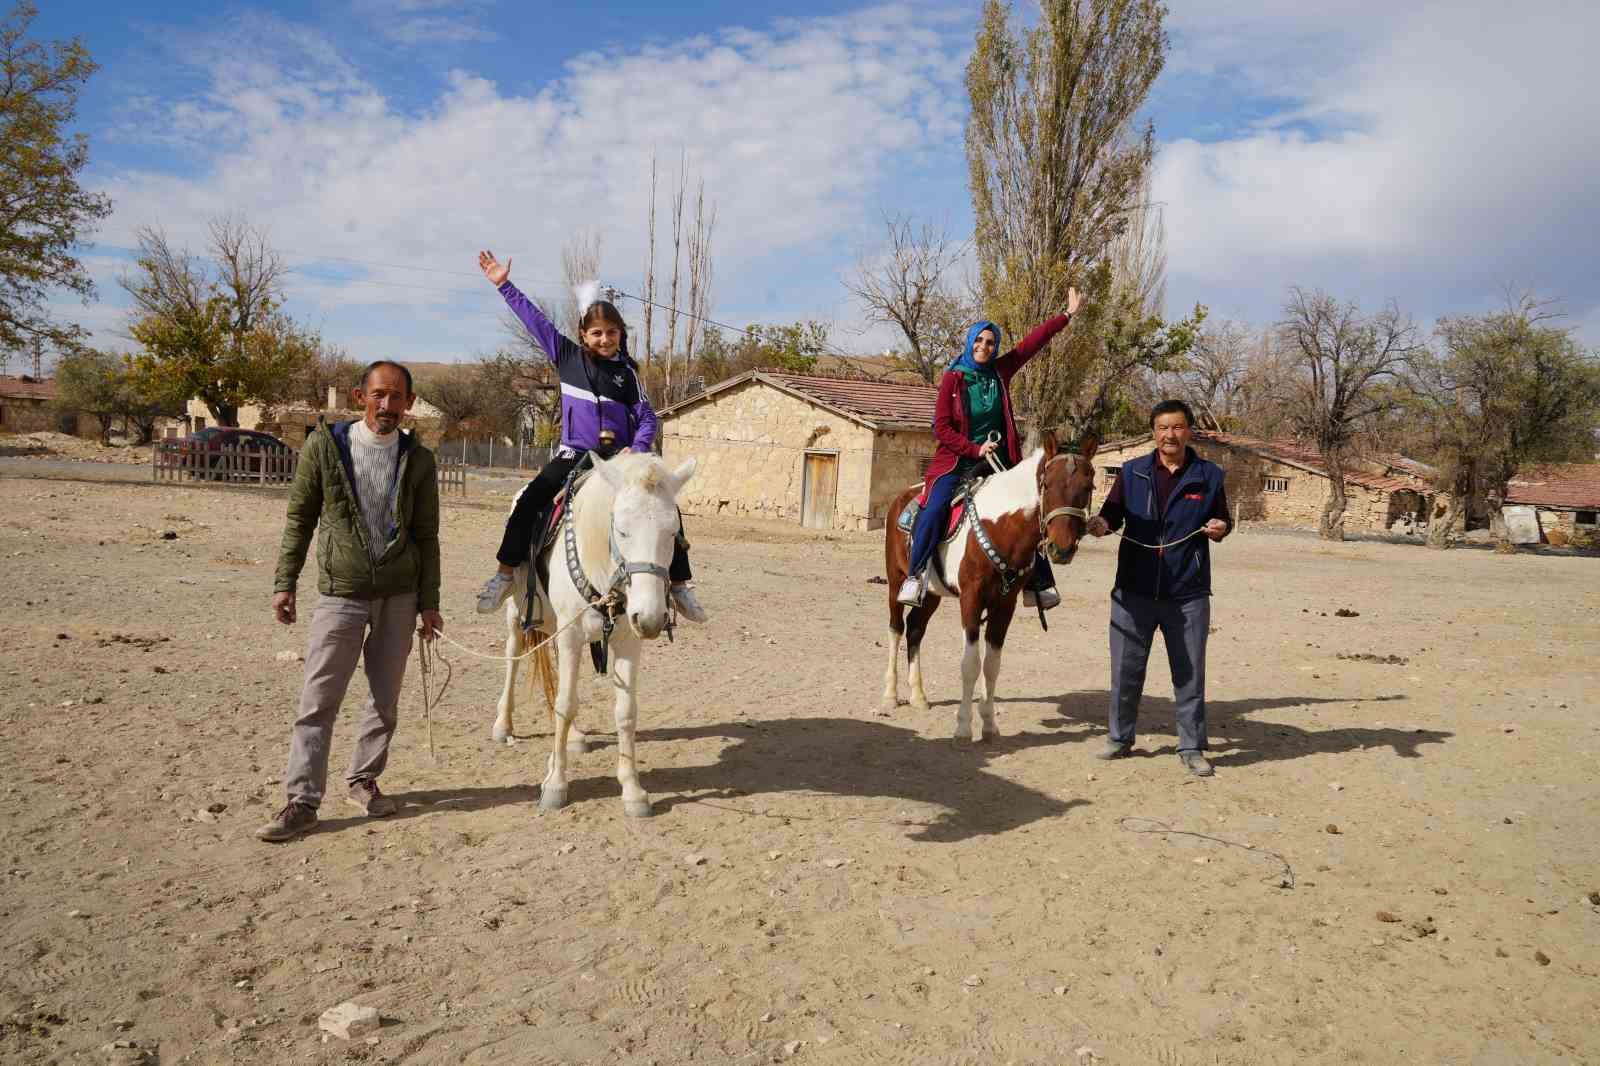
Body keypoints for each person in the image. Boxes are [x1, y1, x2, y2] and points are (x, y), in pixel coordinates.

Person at [258, 360, 444, 842]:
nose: (388, 405)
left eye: (397, 396)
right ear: (361, 397)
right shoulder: (325, 446)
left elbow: (427, 535)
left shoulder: (419, 460)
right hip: (341, 593)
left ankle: (364, 780)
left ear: (409, 403)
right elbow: (300, 518)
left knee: (385, 700)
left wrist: (429, 602)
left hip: (399, 596)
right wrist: (284, 583)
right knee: (318, 700)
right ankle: (302, 801)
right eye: (379, 394)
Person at [471, 250, 705, 623]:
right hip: (573, 455)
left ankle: (679, 585)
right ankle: (504, 575)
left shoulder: (628, 375)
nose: (604, 339)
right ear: (583, 334)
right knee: (529, 502)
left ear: (621, 334)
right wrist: (504, 285)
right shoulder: (566, 357)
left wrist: (637, 448)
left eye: (612, 332)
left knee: (665, 506)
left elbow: (647, 416)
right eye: (596, 333)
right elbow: (535, 321)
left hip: (620, 460)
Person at [898, 289, 1085, 608]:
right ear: (970, 342)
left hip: (1000, 461)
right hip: (957, 461)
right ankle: (916, 576)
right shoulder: (953, 380)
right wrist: (974, 449)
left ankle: (1038, 582)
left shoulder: (1000, 371)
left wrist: (1066, 315)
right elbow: (941, 428)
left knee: (1033, 508)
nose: (984, 347)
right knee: (936, 506)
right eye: (979, 341)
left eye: (990, 342)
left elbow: (1031, 344)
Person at [1085, 399, 1231, 776]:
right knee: (1125, 671)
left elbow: (1222, 519)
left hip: (1188, 592)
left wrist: (1220, 528)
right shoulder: (1132, 472)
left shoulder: (1209, 475)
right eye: (1163, 427)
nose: (1170, 435)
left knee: (1189, 673)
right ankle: (1119, 738)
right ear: (1153, 432)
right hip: (1133, 590)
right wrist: (1101, 525)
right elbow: (1111, 514)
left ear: (1189, 431)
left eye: (1177, 427)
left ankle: (1191, 747)